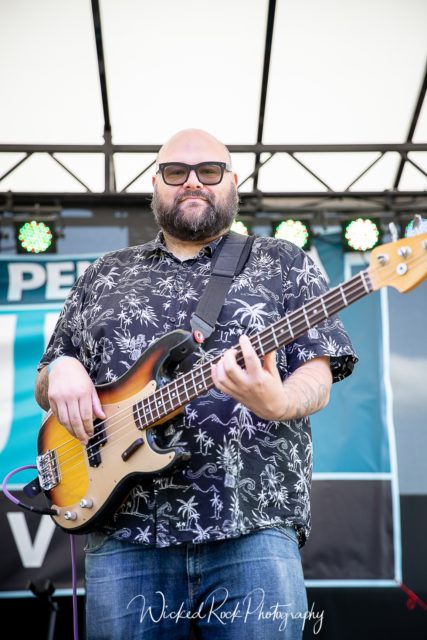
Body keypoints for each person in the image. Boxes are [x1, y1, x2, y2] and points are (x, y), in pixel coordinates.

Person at [35, 128, 357, 640]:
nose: (192, 182)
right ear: (155, 184)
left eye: (208, 171)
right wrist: (62, 369)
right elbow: (49, 379)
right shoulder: (104, 273)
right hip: (125, 533)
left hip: (251, 525)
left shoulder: (283, 262)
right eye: (175, 172)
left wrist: (279, 402)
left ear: (232, 181)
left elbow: (317, 370)